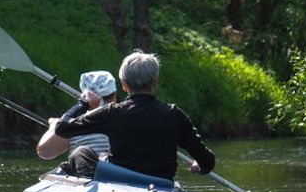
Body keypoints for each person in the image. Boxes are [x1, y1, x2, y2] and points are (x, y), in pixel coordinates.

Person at [43, 51, 215, 181]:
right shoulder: (174, 114)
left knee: (81, 152)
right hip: (161, 183)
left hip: (120, 182)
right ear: (154, 83)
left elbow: (62, 128)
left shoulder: (111, 112)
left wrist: (82, 104)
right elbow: (207, 161)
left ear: (124, 85)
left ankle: (87, 185)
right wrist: (198, 167)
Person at [36, 70, 117, 161]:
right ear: (114, 96)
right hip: (116, 173)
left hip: (85, 172)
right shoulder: (125, 117)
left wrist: (54, 126)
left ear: (84, 94)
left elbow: (45, 152)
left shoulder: (75, 124)